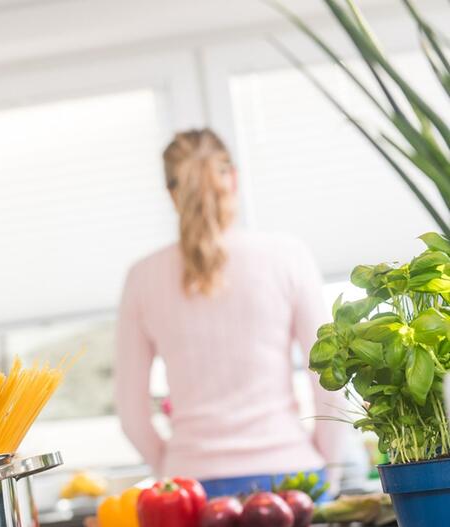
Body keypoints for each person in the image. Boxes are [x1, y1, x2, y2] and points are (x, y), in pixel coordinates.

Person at [114, 128, 345, 499]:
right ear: (233, 179)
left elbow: (130, 413)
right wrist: (329, 472)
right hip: (292, 478)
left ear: (172, 194)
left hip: (193, 490)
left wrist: (174, 466)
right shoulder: (287, 256)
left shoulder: (142, 277)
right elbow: (331, 384)